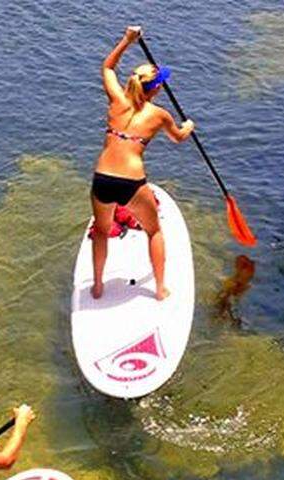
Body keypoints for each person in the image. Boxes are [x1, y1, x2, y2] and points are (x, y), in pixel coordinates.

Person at [90, 24, 195, 301]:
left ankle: (98, 287)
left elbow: (107, 69)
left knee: (101, 232)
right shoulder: (159, 115)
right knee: (154, 231)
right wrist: (188, 126)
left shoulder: (117, 100)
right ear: (157, 89)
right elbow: (179, 138)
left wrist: (127, 40)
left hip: (101, 177)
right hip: (131, 182)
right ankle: (159, 290)